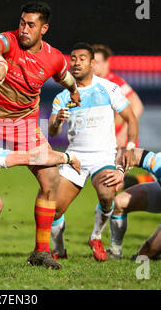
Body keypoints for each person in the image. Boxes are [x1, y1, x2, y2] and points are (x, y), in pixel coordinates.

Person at [0, 1, 82, 269]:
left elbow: (63, 76)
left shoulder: (53, 57)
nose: (24, 29)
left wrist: (74, 89)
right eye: (22, 22)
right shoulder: (8, 42)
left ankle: (41, 252)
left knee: (49, 181)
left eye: (31, 25)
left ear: (44, 28)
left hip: (24, 125)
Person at [48, 42, 138, 262]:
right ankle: (59, 250)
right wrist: (57, 120)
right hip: (75, 157)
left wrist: (131, 147)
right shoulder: (62, 96)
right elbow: (52, 130)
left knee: (108, 195)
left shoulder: (108, 87)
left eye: (82, 58)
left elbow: (131, 117)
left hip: (103, 156)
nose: (76, 63)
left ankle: (96, 236)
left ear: (92, 62)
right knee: (55, 210)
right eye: (73, 59)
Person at [92, 44, 151, 189]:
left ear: (107, 63)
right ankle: (148, 180)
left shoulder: (115, 82)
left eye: (98, 62)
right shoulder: (91, 83)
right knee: (112, 181)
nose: (94, 66)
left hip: (121, 139)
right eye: (92, 62)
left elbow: (137, 106)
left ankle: (110, 210)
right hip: (105, 140)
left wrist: (124, 133)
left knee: (112, 183)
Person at [98, 147, 161, 260]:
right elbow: (131, 154)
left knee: (147, 253)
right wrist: (120, 173)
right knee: (120, 202)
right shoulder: (158, 162)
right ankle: (115, 251)